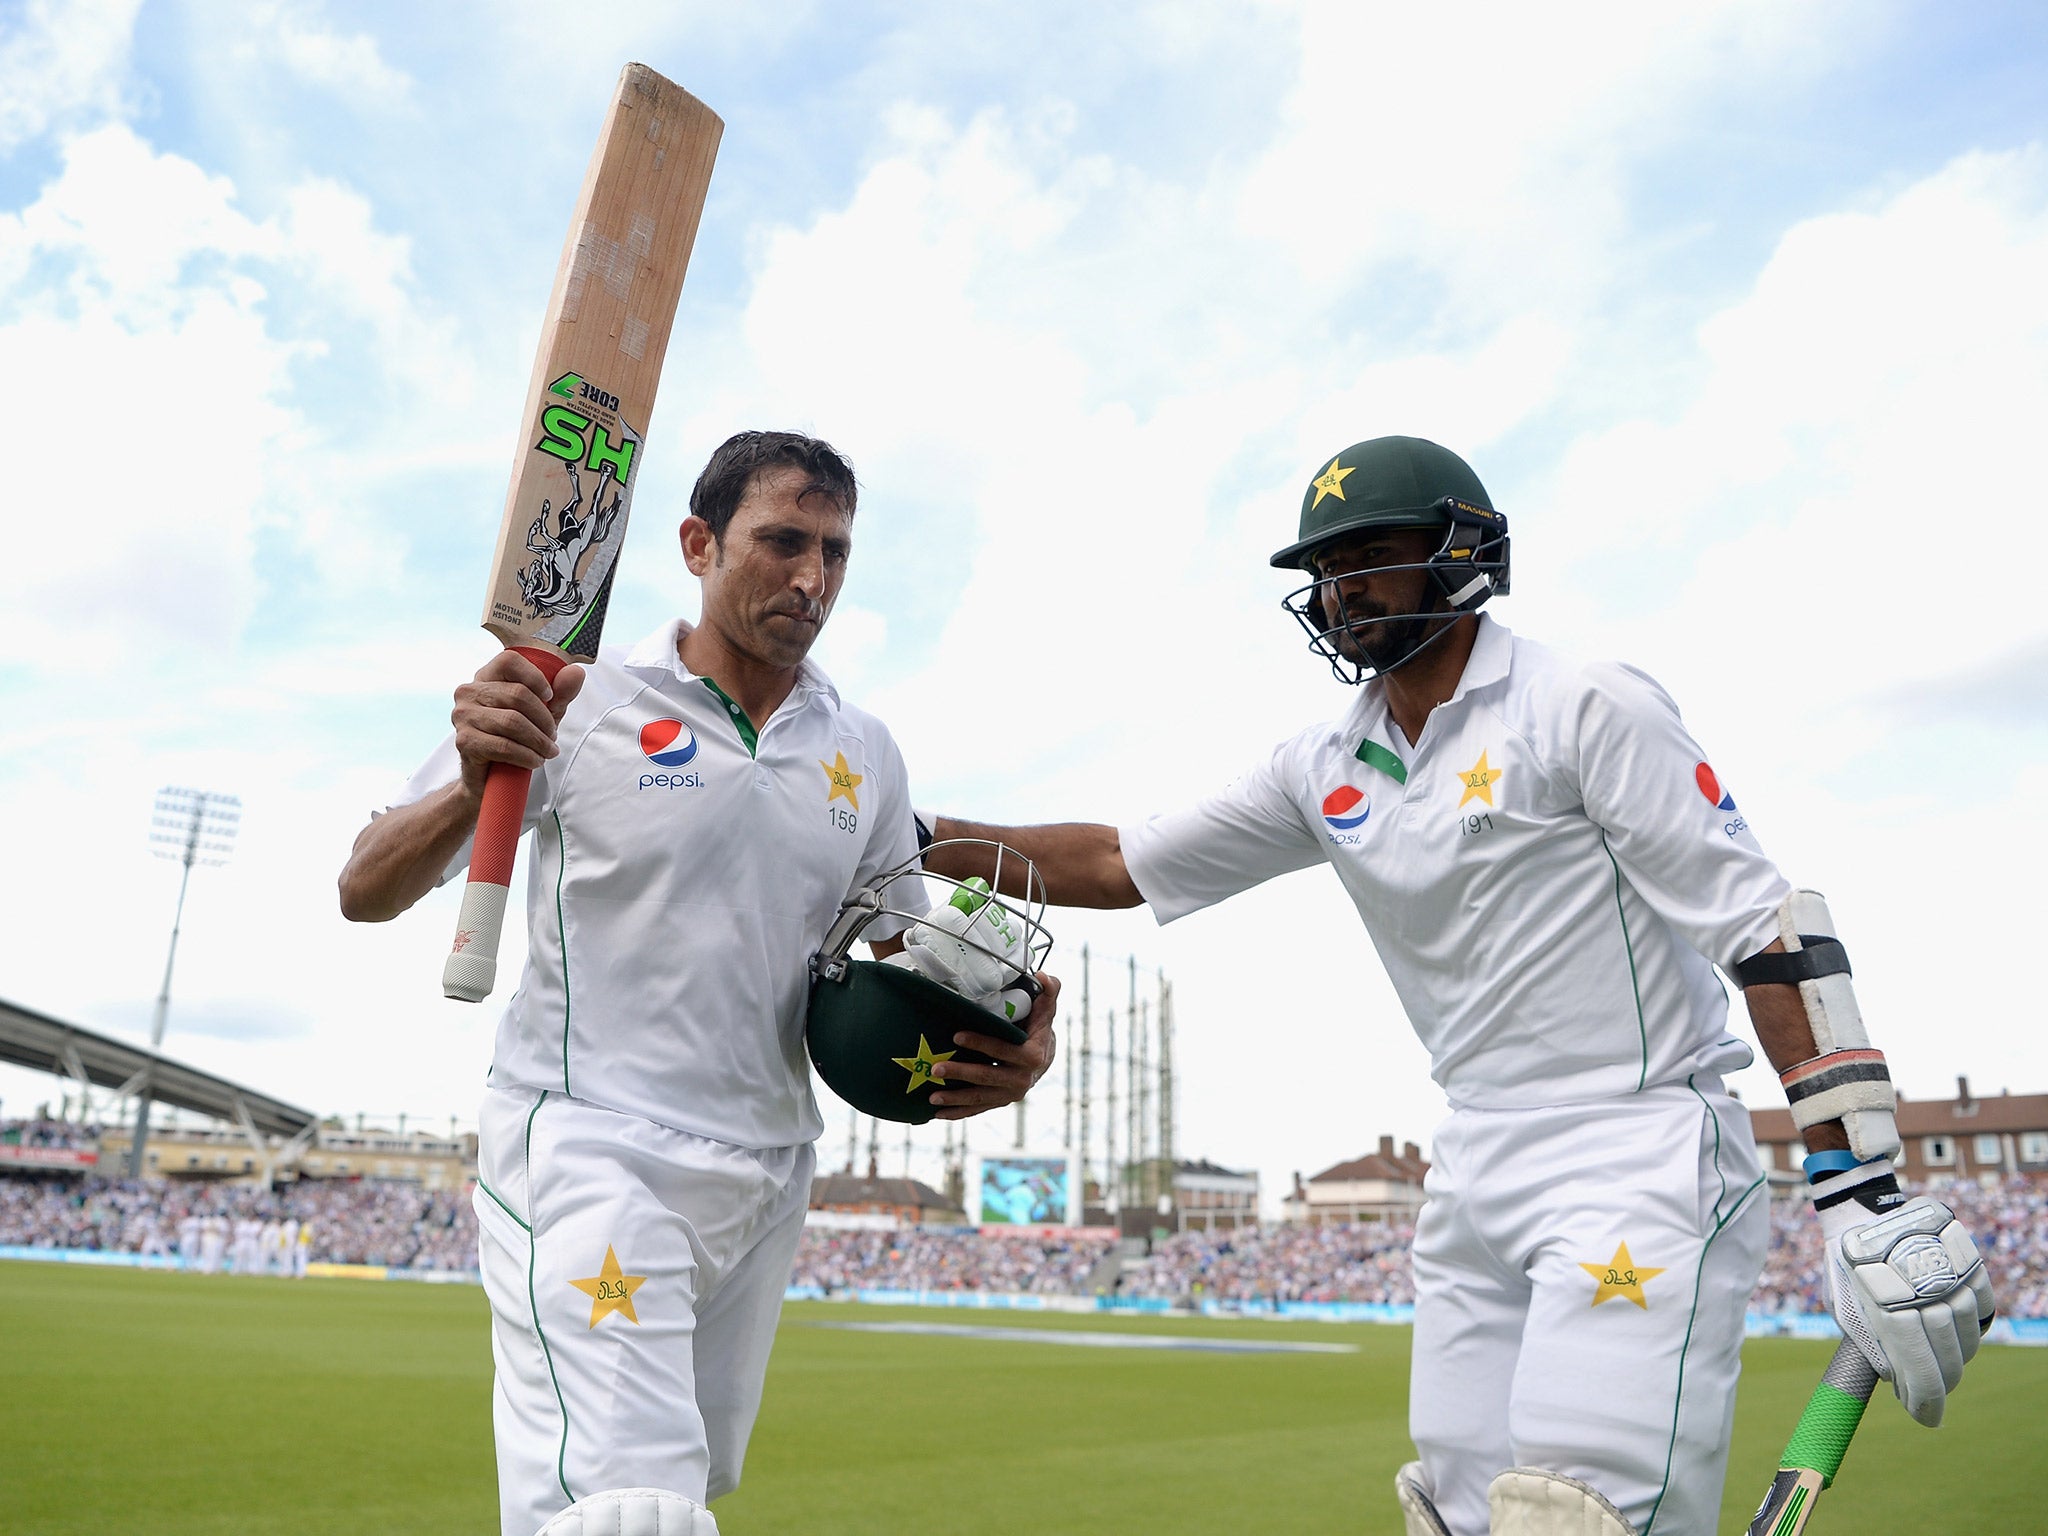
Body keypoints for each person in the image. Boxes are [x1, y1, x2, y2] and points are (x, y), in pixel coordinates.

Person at [921, 436, 1993, 1536]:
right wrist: (899, 837)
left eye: (1373, 555)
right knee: (1455, 1517)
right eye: (1325, 571)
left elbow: (1766, 933)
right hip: (1472, 1158)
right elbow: (1110, 863)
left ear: (1462, 551)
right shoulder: (1322, 765)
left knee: (1570, 1517)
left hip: (1634, 1148)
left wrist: (1857, 1184)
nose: (1344, 591)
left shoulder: (1581, 702)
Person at [339, 430, 1057, 1536]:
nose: (811, 579)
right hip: (593, 1142)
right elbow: (366, 888)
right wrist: (470, 782)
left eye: (833, 552)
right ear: (696, 543)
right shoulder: (574, 694)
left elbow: (896, 965)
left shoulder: (862, 748)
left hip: (769, 1166)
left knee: (647, 1494)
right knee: (634, 1506)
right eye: (779, 542)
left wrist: (1000, 1036)